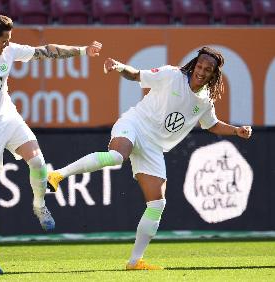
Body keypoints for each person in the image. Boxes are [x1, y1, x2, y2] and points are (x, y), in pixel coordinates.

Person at [47, 47, 252, 270]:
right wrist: (119, 67)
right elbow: (136, 75)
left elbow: (211, 125)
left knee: (157, 203)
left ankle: (135, 261)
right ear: (194, 65)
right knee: (117, 157)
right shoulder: (172, 75)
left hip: (154, 147)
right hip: (135, 124)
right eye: (200, 66)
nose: (202, 72)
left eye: (208, 70)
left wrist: (236, 131)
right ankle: (58, 175)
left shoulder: (205, 101)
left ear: (214, 75)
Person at [0, 15, 102, 275]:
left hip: (8, 119)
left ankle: (39, 204)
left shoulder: (8, 50)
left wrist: (84, 50)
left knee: (38, 160)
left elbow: (46, 52)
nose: (8, 45)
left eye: (9, 39)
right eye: (4, 40)